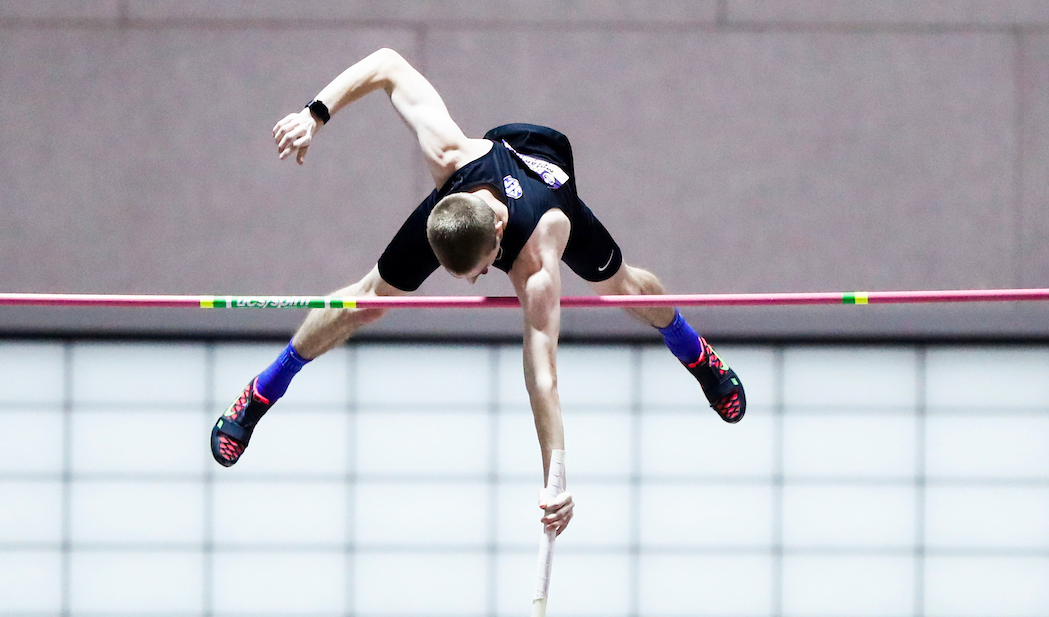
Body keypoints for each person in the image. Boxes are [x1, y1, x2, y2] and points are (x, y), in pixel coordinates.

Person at [210, 48, 746, 536]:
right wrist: (314, 114)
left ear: (497, 240)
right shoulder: (449, 158)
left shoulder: (538, 260)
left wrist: (554, 476)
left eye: (478, 271)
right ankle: (263, 390)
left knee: (626, 288)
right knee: (365, 301)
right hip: (483, 173)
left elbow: (543, 372)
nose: (472, 283)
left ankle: (696, 355)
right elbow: (387, 64)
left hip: (550, 186)